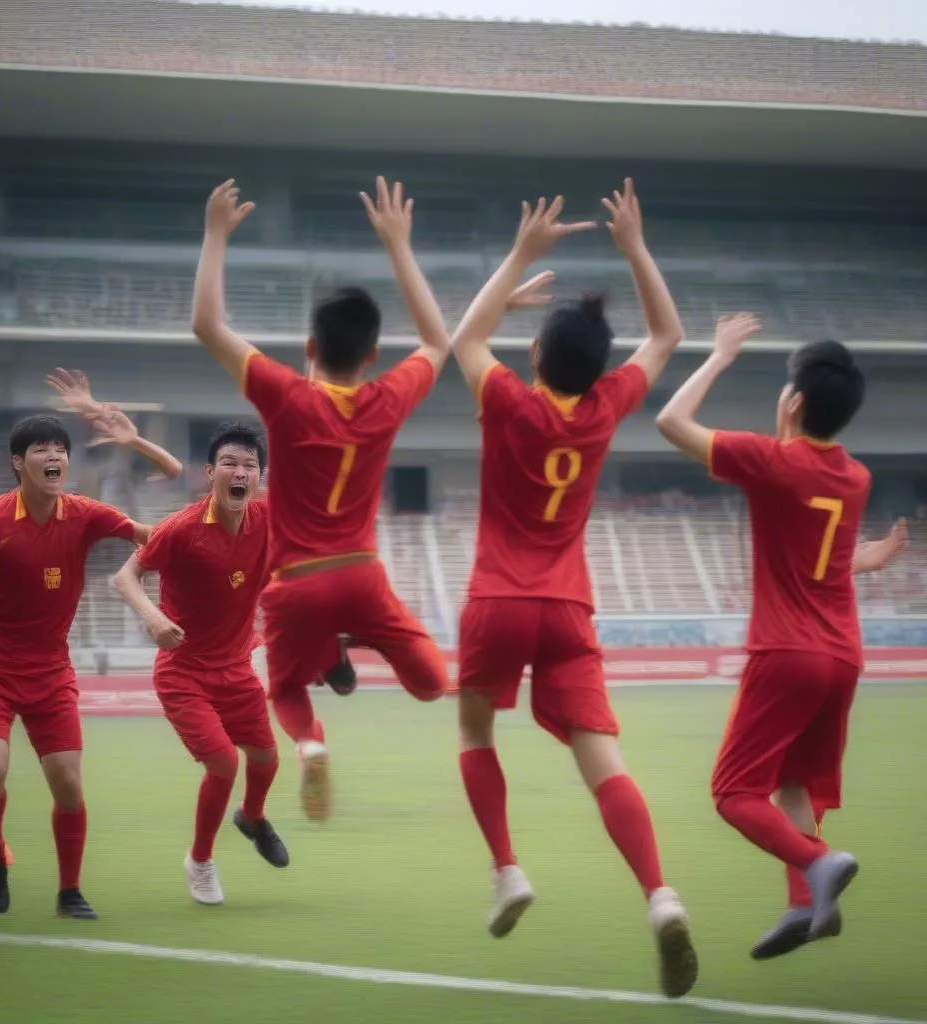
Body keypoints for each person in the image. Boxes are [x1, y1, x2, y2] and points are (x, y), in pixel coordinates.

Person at [448, 182, 697, 999]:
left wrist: (521, 257)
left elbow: (463, 337)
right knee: (603, 759)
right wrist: (634, 245)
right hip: (567, 605)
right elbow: (667, 333)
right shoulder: (604, 409)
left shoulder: (510, 403)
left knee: (477, 729)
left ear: (536, 359)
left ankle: (508, 870)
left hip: (497, 598)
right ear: (593, 370)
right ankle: (660, 894)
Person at [191, 177, 451, 821]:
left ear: (310, 349)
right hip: (361, 577)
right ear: (371, 355)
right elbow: (437, 343)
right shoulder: (385, 399)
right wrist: (398, 245)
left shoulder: (287, 395)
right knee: (432, 682)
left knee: (282, 689)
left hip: (295, 582)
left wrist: (216, 233)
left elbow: (206, 326)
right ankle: (350, 645)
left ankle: (310, 747)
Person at [656, 313, 904, 960]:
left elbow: (670, 422)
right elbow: (817, 551)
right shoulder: (855, 478)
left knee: (733, 792)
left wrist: (717, 357)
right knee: (791, 786)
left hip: (787, 652)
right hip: (842, 656)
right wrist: (867, 561)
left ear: (791, 400)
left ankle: (816, 865)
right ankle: (803, 903)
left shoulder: (770, 461)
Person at [0, 413, 174, 919]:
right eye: (41, 449)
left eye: (60, 449)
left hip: (51, 672)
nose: (54, 457)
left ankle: (70, 891)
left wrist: (150, 455)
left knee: (69, 784)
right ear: (19, 462)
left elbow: (150, 535)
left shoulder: (84, 514)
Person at [113, 421, 289, 906]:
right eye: (229, 463)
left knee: (267, 758)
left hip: (236, 667)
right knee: (224, 763)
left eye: (249, 465)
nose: (239, 472)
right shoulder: (181, 529)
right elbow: (125, 577)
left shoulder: (270, 515)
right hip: (183, 672)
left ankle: (252, 817)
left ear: (259, 478)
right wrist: (152, 617)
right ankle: (201, 860)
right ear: (210, 473)